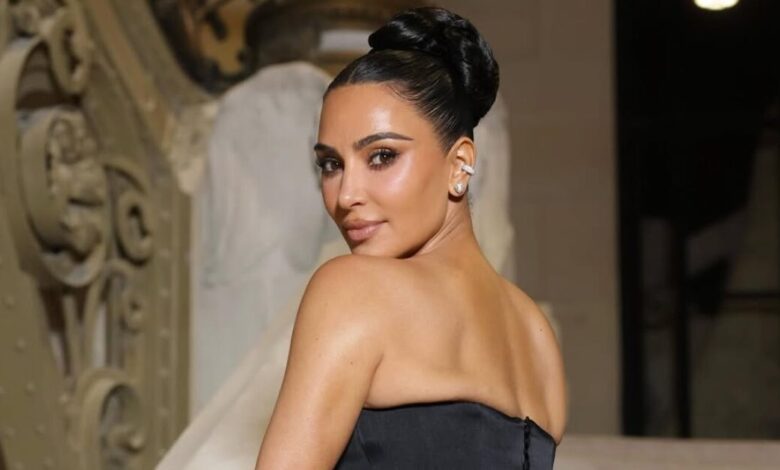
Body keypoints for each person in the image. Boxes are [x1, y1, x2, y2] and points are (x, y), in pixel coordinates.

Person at [254, 6, 567, 469]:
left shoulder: (353, 289)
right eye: (331, 164)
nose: (346, 195)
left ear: (459, 163)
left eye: (381, 156)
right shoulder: (537, 338)